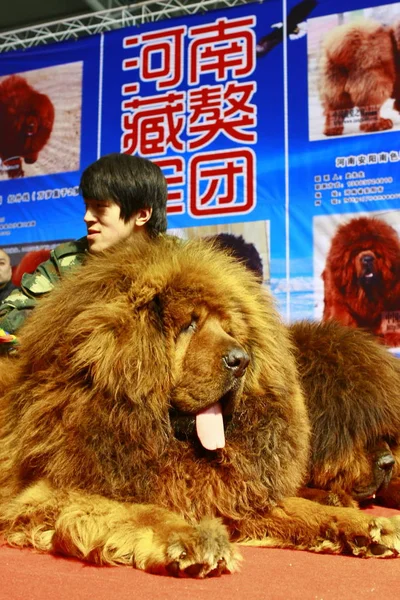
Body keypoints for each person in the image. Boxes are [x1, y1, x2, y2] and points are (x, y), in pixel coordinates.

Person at [0, 153, 168, 336]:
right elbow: (7, 317)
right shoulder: (68, 260)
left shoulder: (180, 266)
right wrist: (73, 321)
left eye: (100, 207)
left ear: (142, 215)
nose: (87, 217)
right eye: (87, 206)